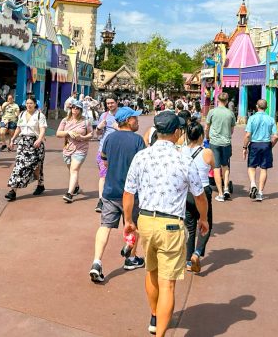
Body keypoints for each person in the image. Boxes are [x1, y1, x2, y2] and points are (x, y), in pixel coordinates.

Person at [123, 110, 208, 337]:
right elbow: (199, 195)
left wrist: (129, 221)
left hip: (146, 222)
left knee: (151, 272)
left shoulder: (142, 156)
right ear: (177, 132)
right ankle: (160, 333)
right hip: (171, 224)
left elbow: (129, 193)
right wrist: (204, 218)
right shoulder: (184, 159)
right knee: (168, 283)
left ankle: (154, 314)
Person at [89, 106, 146, 282]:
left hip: (110, 190)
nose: (137, 121)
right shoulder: (138, 141)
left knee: (105, 226)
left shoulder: (109, 139)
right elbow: (143, 168)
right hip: (131, 193)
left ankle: (96, 262)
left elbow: (104, 162)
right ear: (128, 120)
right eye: (135, 118)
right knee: (133, 224)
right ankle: (130, 258)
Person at [182, 121, 214, 273]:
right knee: (205, 222)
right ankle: (197, 253)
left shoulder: (181, 151)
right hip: (203, 190)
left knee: (190, 226)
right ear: (201, 135)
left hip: (186, 192)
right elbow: (214, 167)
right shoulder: (206, 152)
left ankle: (188, 260)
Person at [5, 95, 47, 201]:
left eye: (31, 103)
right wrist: (13, 139)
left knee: (37, 166)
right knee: (19, 166)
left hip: (35, 143)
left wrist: (39, 139)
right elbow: (18, 128)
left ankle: (40, 185)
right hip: (23, 143)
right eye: (27, 103)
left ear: (35, 104)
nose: (29, 105)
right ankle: (12, 191)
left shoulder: (39, 116)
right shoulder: (22, 114)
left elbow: (42, 130)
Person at [57, 98, 93, 203]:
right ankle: (76, 187)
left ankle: (69, 194)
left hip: (81, 149)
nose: (75, 109)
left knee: (74, 169)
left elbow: (91, 134)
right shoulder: (65, 120)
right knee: (71, 169)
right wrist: (68, 132)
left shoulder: (85, 121)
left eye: (78, 108)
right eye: (73, 107)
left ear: (81, 110)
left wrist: (82, 137)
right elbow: (58, 134)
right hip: (68, 148)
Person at [242, 99, 278, 202]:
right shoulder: (271, 119)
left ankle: (253, 184)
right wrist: (271, 145)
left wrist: (244, 147)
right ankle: (260, 193)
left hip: (254, 144)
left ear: (256, 106)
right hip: (266, 144)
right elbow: (276, 136)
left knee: (251, 166)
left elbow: (248, 135)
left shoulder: (252, 118)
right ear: (266, 107)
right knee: (264, 169)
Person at [204, 92, 235, 202]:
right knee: (225, 166)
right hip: (226, 142)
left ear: (218, 100)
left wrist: (207, 137)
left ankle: (220, 194)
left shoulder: (212, 112)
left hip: (215, 142)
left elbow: (207, 127)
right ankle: (226, 188)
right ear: (227, 101)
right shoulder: (230, 114)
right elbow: (232, 130)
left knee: (216, 167)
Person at [94, 94, 118, 212]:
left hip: (118, 151)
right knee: (103, 176)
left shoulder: (122, 115)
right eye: (108, 103)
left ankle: (114, 200)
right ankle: (101, 200)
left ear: (117, 102)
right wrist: (99, 127)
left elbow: (131, 131)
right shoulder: (104, 115)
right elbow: (98, 134)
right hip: (104, 150)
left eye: (112, 103)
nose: (110, 105)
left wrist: (117, 127)